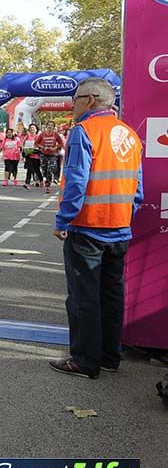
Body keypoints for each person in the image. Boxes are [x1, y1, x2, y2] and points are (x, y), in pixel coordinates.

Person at [50, 78, 143, 379]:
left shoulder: (83, 132)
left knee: (83, 297)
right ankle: (108, 356)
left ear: (90, 100)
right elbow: (137, 189)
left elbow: (76, 182)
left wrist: (63, 220)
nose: (71, 104)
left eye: (75, 98)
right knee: (111, 294)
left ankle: (85, 361)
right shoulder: (129, 134)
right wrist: (126, 216)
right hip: (119, 227)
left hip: (88, 227)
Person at [38, 120, 65, 195]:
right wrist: (42, 147)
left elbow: (60, 143)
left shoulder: (56, 134)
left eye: (52, 125)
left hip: (53, 154)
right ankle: (44, 179)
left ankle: (48, 185)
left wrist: (54, 148)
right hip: (44, 154)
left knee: (50, 169)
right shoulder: (42, 134)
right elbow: (36, 143)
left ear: (53, 127)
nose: (50, 126)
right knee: (44, 169)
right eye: (49, 125)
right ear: (46, 126)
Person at [22, 123, 43, 189]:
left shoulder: (38, 137)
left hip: (36, 155)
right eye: (31, 128)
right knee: (29, 169)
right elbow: (23, 145)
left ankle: (41, 180)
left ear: (36, 129)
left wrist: (35, 148)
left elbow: (40, 145)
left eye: (33, 128)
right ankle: (27, 183)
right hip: (29, 155)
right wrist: (24, 153)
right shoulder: (27, 137)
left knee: (37, 170)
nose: (32, 129)